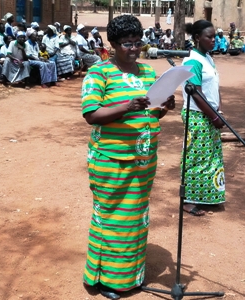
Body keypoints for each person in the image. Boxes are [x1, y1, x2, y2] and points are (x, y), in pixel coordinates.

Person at [81, 14, 175, 299]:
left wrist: (165, 106)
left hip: (143, 161)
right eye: (126, 44)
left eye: (138, 42)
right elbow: (92, 114)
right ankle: (106, 279)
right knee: (112, 218)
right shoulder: (99, 74)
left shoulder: (147, 72)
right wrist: (128, 106)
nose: (133, 49)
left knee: (134, 218)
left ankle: (128, 276)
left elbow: (151, 112)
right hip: (111, 161)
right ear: (112, 45)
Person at [181, 20, 225, 217]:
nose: (214, 40)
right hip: (197, 115)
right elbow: (196, 94)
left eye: (215, 36)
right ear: (197, 38)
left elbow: (214, 88)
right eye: (209, 36)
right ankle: (188, 200)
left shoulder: (207, 57)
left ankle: (207, 196)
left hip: (210, 113)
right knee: (196, 157)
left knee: (211, 157)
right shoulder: (192, 61)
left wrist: (219, 110)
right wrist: (214, 117)